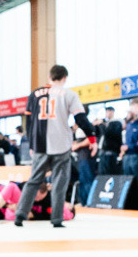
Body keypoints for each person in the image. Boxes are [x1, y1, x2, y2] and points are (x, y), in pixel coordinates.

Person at [14, 65, 95, 228]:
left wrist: (31, 143)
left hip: (40, 145)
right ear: (64, 78)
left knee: (34, 180)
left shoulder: (34, 95)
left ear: (50, 77)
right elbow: (80, 118)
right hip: (62, 144)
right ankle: (57, 219)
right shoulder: (69, 94)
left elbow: (29, 123)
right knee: (59, 181)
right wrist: (92, 138)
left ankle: (20, 215)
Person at [0, 181, 74, 223]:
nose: (37, 199)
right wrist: (7, 205)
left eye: (38, 198)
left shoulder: (55, 205)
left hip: (19, 210)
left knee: (11, 187)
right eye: (36, 196)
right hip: (11, 204)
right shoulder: (37, 188)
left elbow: (42, 215)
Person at [121, 99, 138, 199]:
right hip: (126, 156)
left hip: (137, 155)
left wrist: (130, 147)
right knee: (127, 180)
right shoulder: (128, 125)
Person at [71, 123, 97, 206]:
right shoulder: (79, 128)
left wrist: (78, 145)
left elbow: (91, 139)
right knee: (82, 180)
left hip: (86, 157)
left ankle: (89, 202)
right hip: (81, 157)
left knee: (87, 180)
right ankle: (83, 202)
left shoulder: (87, 126)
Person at [97, 106, 123, 176]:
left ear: (112, 112)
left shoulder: (116, 123)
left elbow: (108, 134)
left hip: (111, 151)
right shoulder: (106, 123)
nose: (106, 114)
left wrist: (101, 125)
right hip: (102, 151)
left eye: (108, 112)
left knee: (109, 173)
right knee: (102, 173)